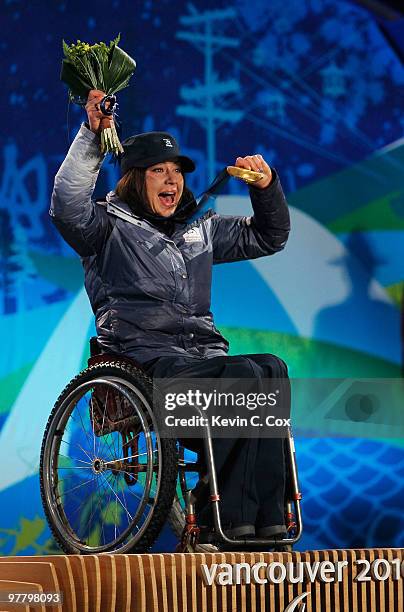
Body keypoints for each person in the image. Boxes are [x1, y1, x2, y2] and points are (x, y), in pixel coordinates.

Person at [50, 89, 291, 546]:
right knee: (241, 374)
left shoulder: (199, 226)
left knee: (270, 369)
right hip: (143, 366)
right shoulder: (105, 227)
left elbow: (269, 235)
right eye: (159, 170)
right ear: (134, 179)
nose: (172, 180)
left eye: (177, 171)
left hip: (199, 360)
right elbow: (66, 204)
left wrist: (267, 187)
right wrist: (91, 136)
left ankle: (264, 516)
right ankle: (231, 519)